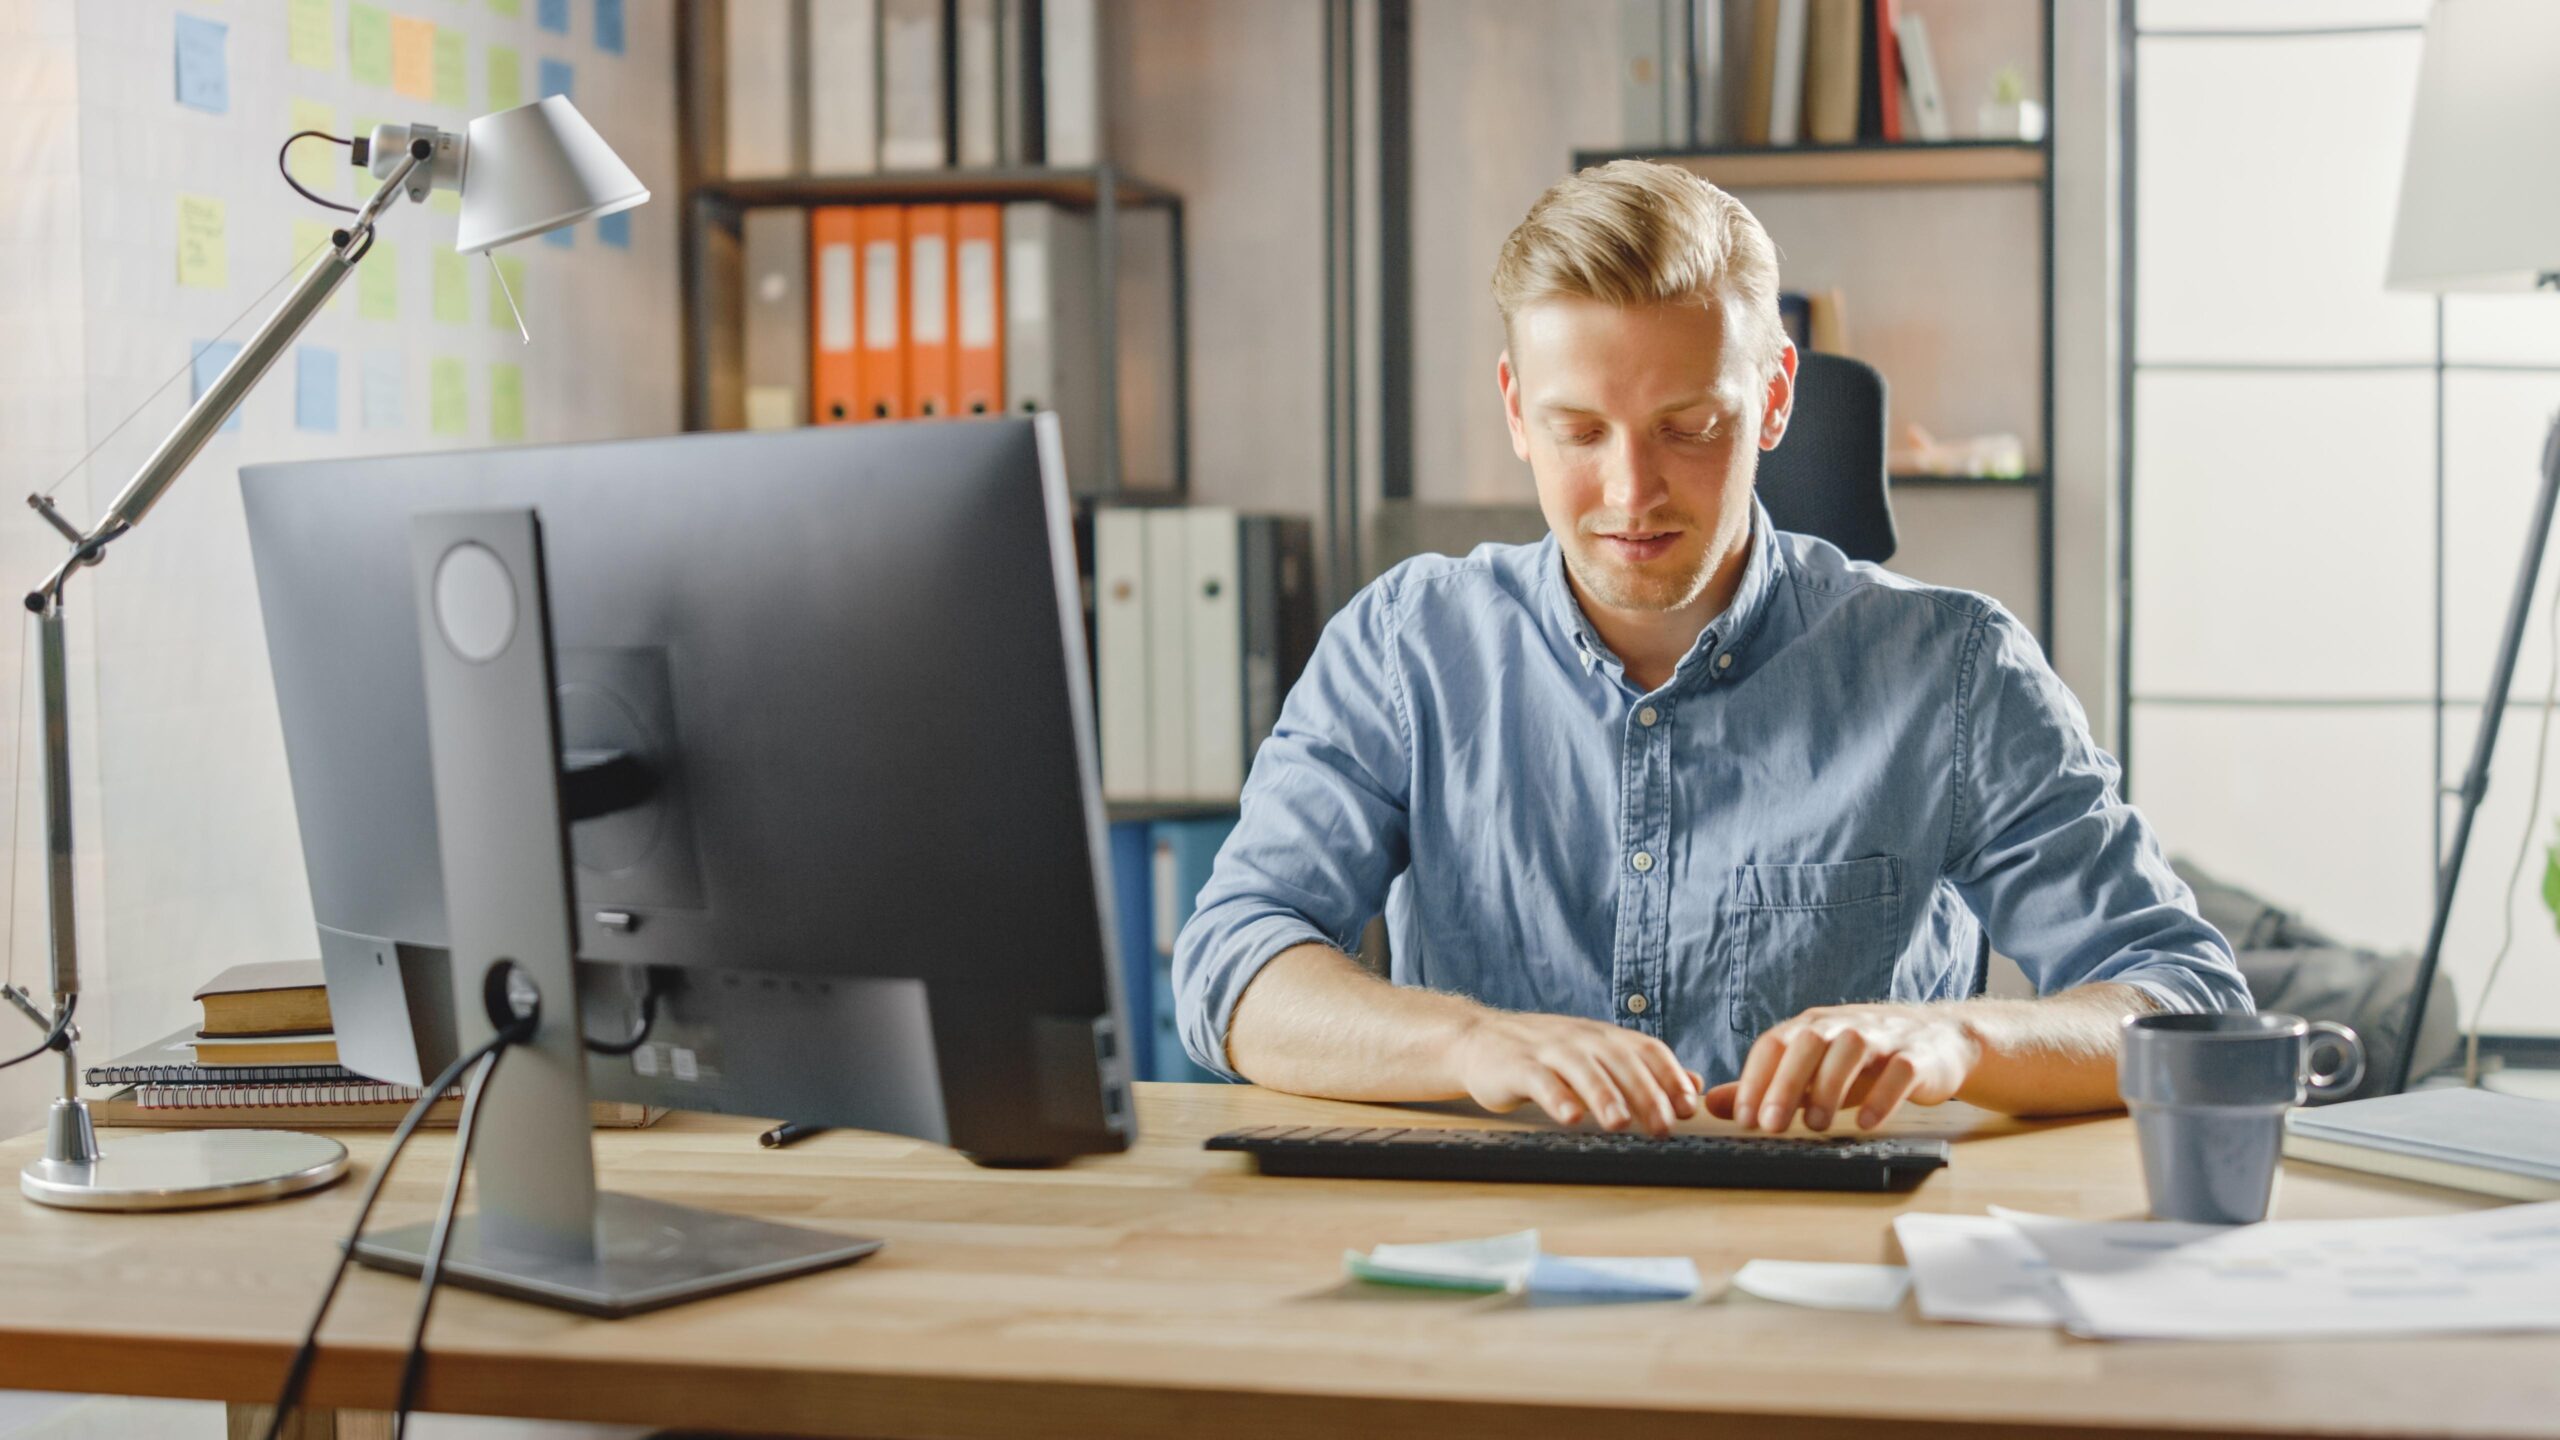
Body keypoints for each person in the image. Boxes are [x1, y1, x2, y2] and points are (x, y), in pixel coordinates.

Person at [1171, 159, 2248, 1140]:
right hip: (1485, 1268)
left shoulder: (1952, 669)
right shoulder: (1406, 647)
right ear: (1514, 411)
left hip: (1832, 1272)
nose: (1631, 494)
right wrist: (1470, 1043)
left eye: (1689, 427)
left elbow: (2185, 997)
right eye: (1579, 431)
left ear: (1773, 397)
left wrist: (1955, 1042)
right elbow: (1231, 964)